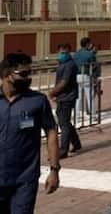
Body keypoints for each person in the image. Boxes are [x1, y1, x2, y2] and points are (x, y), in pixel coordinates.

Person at [0, 53, 61, 213]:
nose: (29, 78)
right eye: (24, 74)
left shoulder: (37, 101)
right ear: (7, 75)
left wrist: (54, 170)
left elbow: (51, 131)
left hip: (24, 180)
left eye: (30, 73)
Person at [50, 44, 82, 158]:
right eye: (60, 52)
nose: (62, 54)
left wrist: (53, 92)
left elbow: (64, 82)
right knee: (65, 122)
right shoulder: (63, 64)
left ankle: (63, 150)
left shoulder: (69, 65)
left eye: (64, 52)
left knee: (63, 124)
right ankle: (76, 143)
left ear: (69, 52)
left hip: (67, 97)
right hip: (63, 97)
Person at [74, 37, 97, 116]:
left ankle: (77, 115)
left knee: (78, 97)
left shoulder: (76, 54)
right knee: (90, 97)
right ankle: (93, 115)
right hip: (86, 76)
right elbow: (94, 66)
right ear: (87, 44)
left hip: (77, 76)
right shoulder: (89, 54)